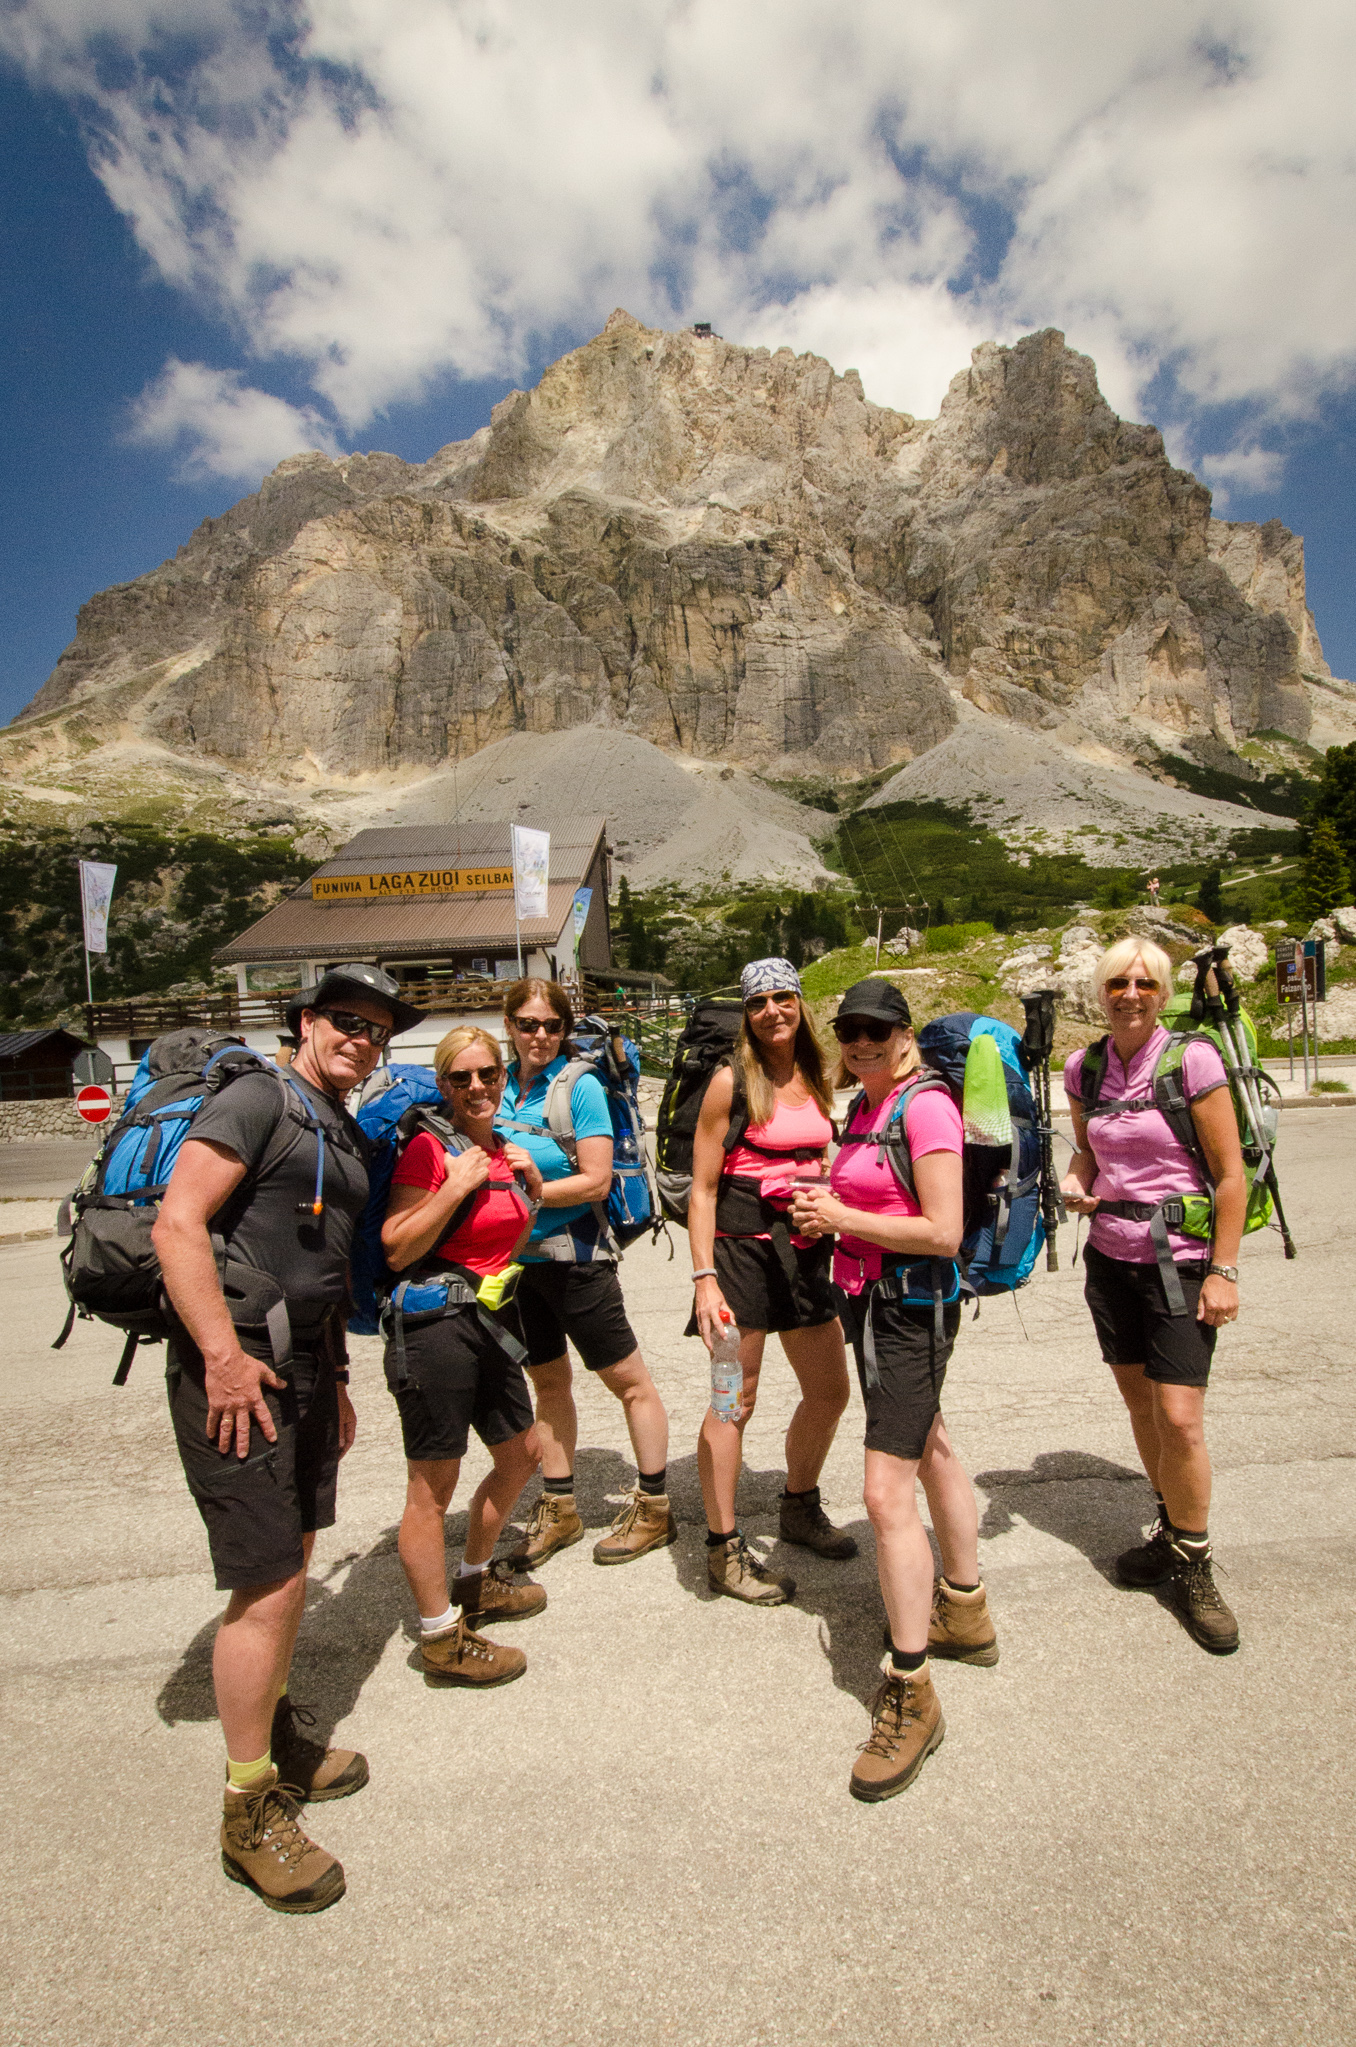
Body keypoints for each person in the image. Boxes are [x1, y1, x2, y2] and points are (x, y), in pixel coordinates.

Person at [152, 962, 422, 1914]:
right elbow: (177, 1223)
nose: (362, 1039)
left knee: (296, 1561)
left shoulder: (333, 1120)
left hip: (302, 1365)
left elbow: (322, 1264)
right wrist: (222, 1358)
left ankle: (274, 1737)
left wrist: (337, 1378)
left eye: (377, 1030)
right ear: (306, 1021)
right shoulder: (260, 1097)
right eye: (346, 1020)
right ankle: (247, 1806)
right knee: (265, 1582)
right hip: (240, 1373)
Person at [792, 979, 995, 1803]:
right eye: (849, 1029)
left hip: (911, 1312)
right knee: (929, 1440)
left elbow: (943, 1231)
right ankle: (965, 1609)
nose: (862, 1041)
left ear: (906, 1034)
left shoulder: (927, 1107)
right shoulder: (867, 1107)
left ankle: (912, 1690)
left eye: (877, 1028)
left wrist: (840, 1217)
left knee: (883, 1494)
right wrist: (826, 1208)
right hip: (874, 1305)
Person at [1060, 938, 1243, 1653]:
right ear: (1100, 993)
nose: (1129, 993)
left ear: (1163, 993)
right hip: (1111, 1259)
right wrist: (1077, 1180)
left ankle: (1195, 1563)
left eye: (1143, 983)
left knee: (1180, 1417)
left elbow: (1230, 1175)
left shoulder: (1192, 1059)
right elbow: (1088, 1150)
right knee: (1142, 1405)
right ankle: (1170, 1526)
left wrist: (1225, 1269)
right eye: (1117, 983)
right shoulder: (1084, 1067)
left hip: (1184, 1262)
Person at [381, 1026, 546, 1688]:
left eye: (488, 1073)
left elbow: (505, 1242)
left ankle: (474, 1581)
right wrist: (452, 1189)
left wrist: (533, 1191)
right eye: (461, 1077)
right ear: (444, 1084)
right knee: (432, 1488)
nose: (477, 1087)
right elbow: (396, 1247)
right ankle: (439, 1636)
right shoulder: (429, 1149)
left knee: (521, 1452)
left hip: (487, 1319)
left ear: (504, 1076)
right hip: (434, 1329)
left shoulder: (502, 1149)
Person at [687, 957, 854, 1605]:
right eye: (758, 1002)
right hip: (738, 1259)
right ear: (746, 1013)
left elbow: (819, 1155)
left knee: (830, 1391)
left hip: (805, 1255)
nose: (772, 1011)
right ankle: (722, 1549)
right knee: (733, 1400)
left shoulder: (817, 1073)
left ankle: (798, 1506)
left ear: (800, 1003)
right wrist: (705, 1280)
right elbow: (703, 1189)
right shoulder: (730, 1081)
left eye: (783, 997)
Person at [496, 978, 675, 1566]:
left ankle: (655, 1507)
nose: (540, 1036)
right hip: (517, 1266)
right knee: (548, 1384)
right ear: (510, 1025)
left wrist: (526, 1191)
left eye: (552, 1025)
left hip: (577, 1260)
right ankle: (560, 1507)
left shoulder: (582, 1085)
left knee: (629, 1382)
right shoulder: (499, 1085)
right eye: (529, 1024)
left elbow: (596, 1181)